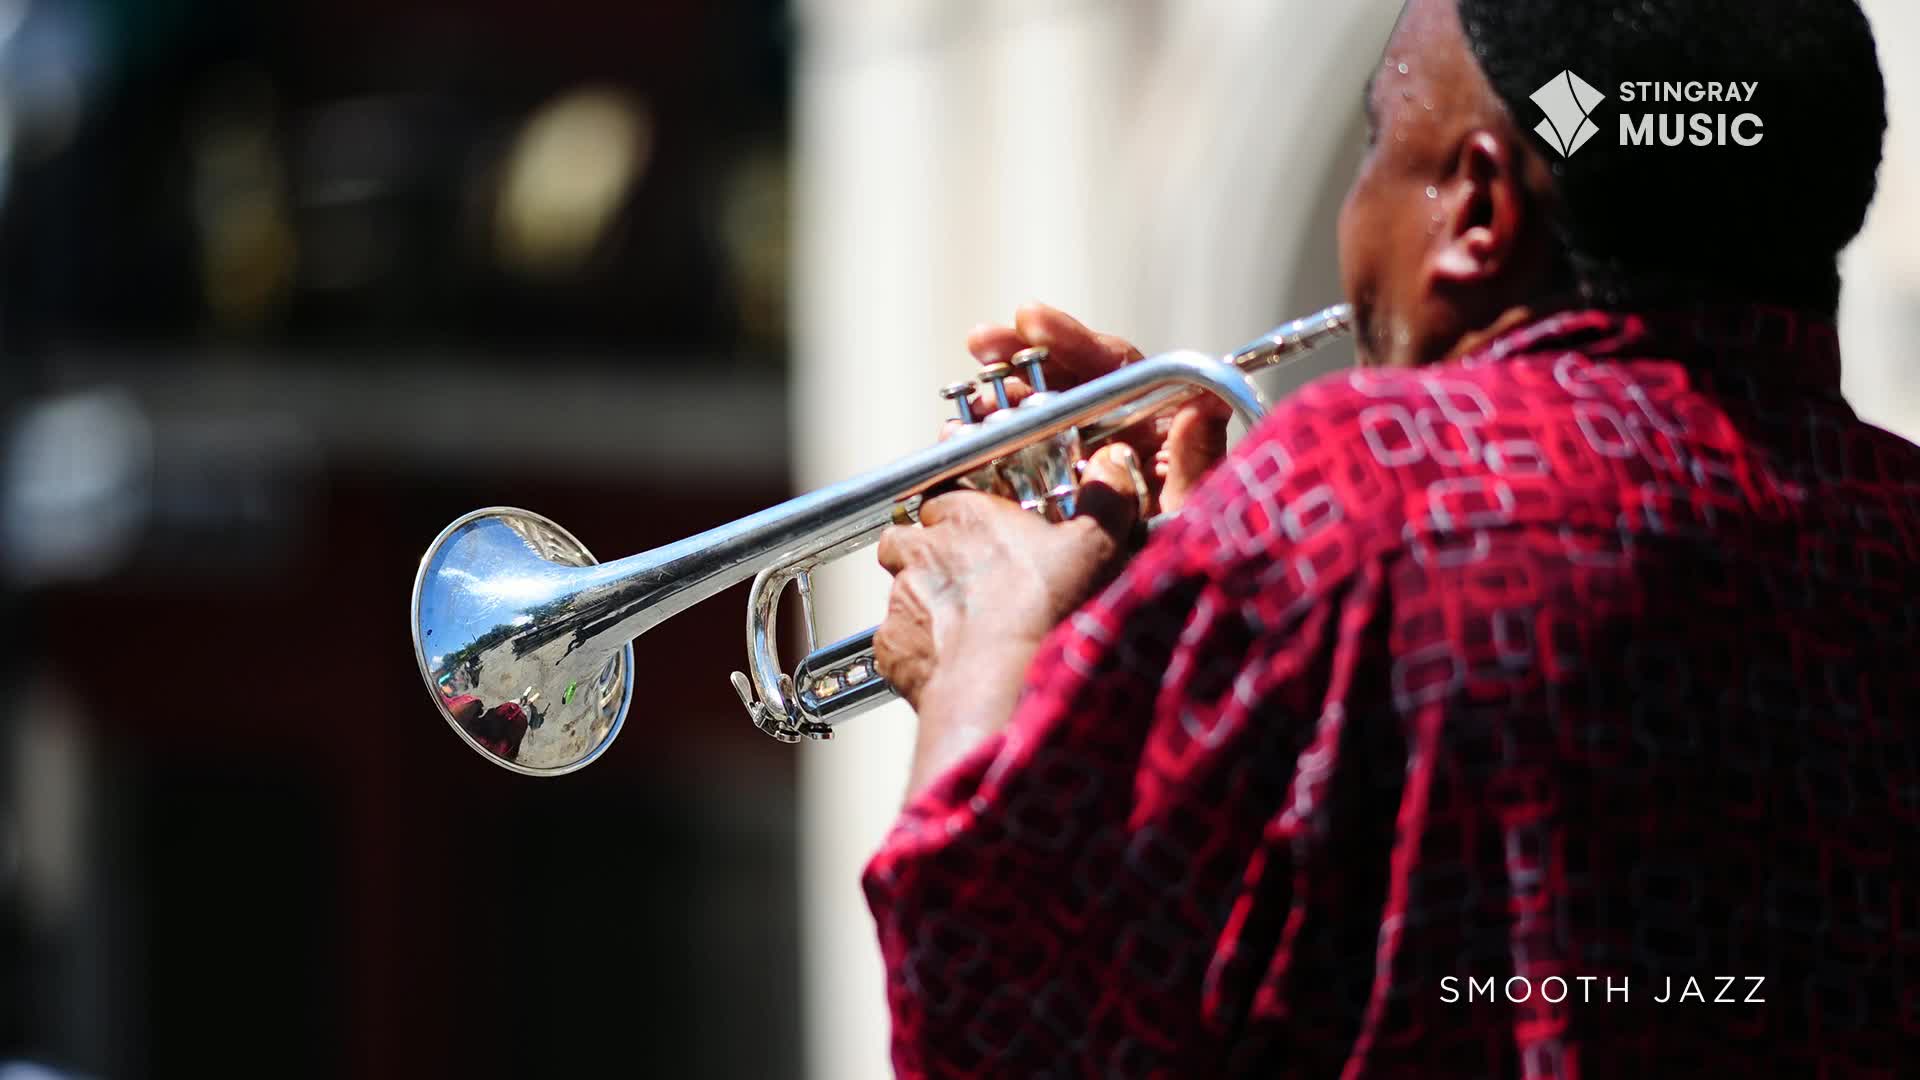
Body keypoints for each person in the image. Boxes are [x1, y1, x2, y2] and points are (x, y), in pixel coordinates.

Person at [866, 0, 1918, 1076]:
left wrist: (982, 647)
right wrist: (1198, 599)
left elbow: (999, 1022)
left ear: (1480, 210)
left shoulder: (1368, 495)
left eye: (1379, 142)